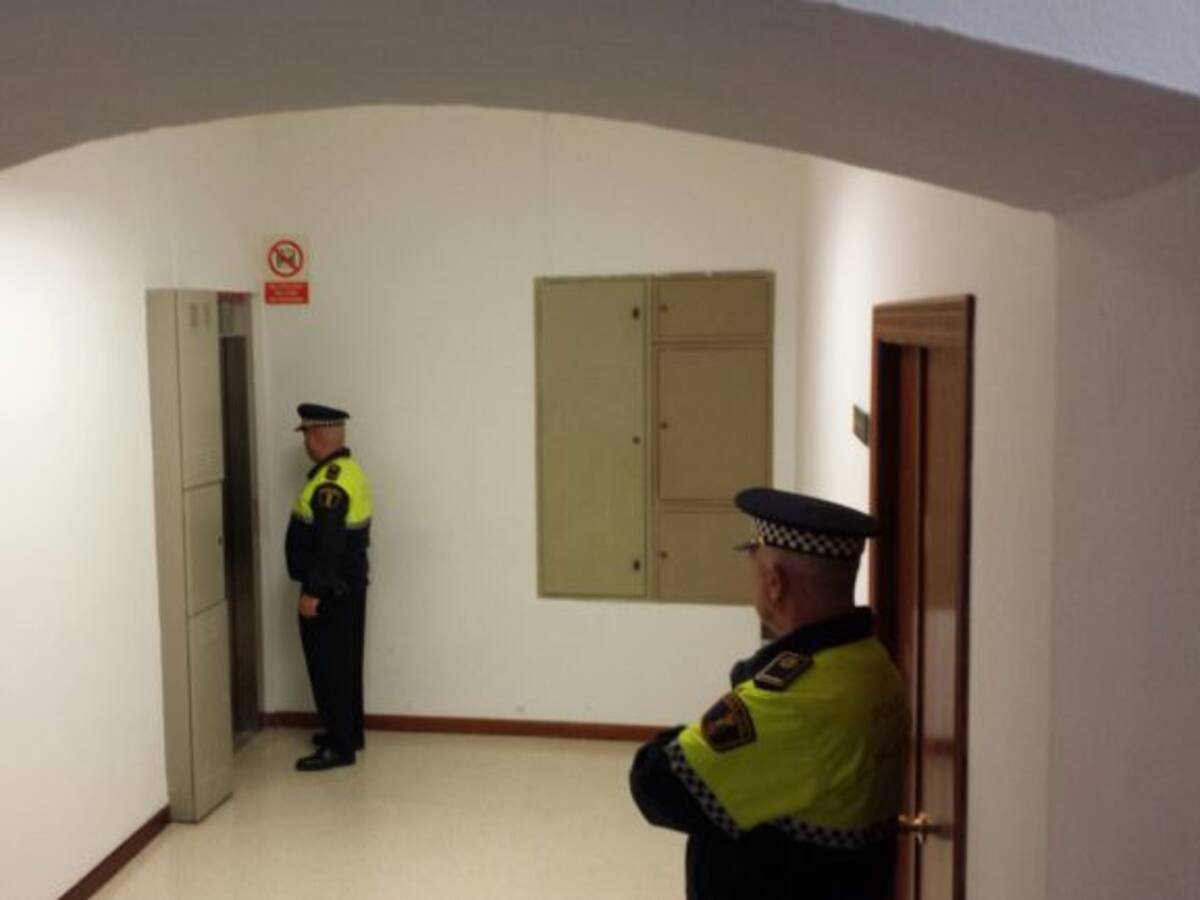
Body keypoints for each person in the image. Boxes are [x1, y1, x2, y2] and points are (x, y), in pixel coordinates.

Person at [629, 487, 909, 899]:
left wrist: (687, 732)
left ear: (775, 582)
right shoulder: (872, 662)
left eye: (752, 558)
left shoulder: (795, 700)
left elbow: (657, 782)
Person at [286, 403, 373, 772]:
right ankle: (348, 733)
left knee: (329, 666)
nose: (305, 441)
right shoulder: (348, 470)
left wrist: (313, 593)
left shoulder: (329, 485)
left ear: (316, 437)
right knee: (345, 663)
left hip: (331, 591)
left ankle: (339, 747)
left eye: (306, 434)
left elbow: (328, 545)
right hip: (347, 586)